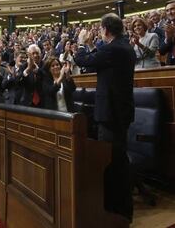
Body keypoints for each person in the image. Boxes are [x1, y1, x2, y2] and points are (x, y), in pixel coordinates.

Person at [74, 13, 136, 222]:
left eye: (101, 30)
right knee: (118, 161)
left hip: (111, 114)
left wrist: (82, 43)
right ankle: (120, 209)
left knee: (111, 163)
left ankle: (116, 211)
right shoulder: (122, 47)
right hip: (120, 112)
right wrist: (93, 46)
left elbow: (83, 61)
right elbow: (98, 61)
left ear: (105, 30)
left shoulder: (113, 49)